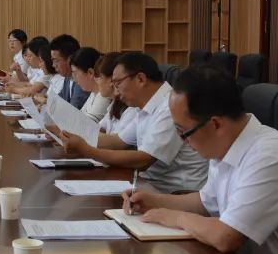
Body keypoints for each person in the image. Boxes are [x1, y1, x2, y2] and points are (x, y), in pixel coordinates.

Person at [124, 65, 278, 254]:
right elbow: (205, 202)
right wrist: (153, 201)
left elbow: (226, 237)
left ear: (215, 124)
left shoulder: (270, 155)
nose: (183, 141)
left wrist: (176, 218)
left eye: (183, 133)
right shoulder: (223, 146)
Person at [60, 52, 207, 193]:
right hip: (147, 185)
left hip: (173, 193)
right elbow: (117, 142)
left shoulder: (169, 106)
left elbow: (143, 160)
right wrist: (70, 134)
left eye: (117, 83)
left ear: (140, 79)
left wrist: (85, 149)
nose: (116, 91)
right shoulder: (142, 106)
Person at [43, 34, 90, 109]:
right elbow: (59, 100)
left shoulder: (82, 81)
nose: (53, 65)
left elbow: (73, 109)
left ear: (70, 60)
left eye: (56, 60)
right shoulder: (67, 77)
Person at [95, 52, 134, 135]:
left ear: (112, 79)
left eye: (100, 77)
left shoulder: (131, 109)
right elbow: (98, 128)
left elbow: (116, 141)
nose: (97, 82)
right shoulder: (114, 104)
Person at [69, 47, 110, 121]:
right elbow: (79, 116)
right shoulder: (93, 93)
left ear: (90, 72)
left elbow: (83, 125)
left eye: (75, 73)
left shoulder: (104, 97)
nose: (74, 80)